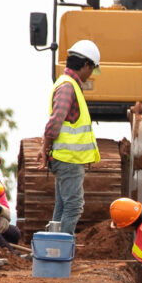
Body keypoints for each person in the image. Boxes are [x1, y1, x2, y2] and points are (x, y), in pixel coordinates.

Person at [42, 39, 101, 233]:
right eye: (91, 69)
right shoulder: (68, 86)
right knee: (73, 206)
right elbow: (55, 121)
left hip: (65, 158)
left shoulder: (67, 84)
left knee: (62, 207)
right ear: (85, 65)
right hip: (68, 159)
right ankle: (61, 251)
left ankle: (53, 250)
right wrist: (44, 148)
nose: (91, 74)